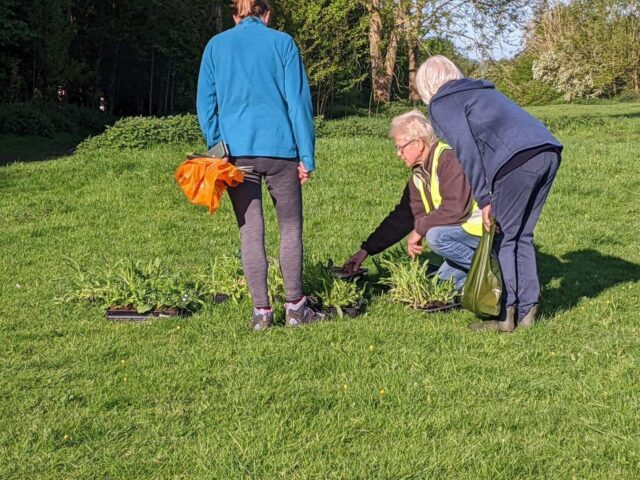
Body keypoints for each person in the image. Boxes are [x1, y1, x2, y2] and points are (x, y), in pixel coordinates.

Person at [196, 0, 324, 330]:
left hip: (236, 155)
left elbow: (205, 104)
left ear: (235, 15)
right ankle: (296, 309)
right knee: (290, 227)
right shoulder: (282, 43)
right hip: (281, 151)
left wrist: (217, 147)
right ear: (266, 14)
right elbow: (298, 103)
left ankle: (261, 315)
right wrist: (306, 156)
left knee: (250, 232)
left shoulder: (216, 46)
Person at [416, 55, 563, 332]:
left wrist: (484, 199)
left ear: (426, 86)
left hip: (517, 161)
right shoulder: (480, 91)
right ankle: (527, 315)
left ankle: (507, 316)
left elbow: (466, 150)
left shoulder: (442, 103)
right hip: (548, 151)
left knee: (504, 238)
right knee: (521, 236)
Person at [343, 110, 482, 293]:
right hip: (462, 235)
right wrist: (366, 250)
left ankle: (491, 270)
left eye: (401, 147)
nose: (398, 154)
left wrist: (420, 229)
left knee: (435, 236)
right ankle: (477, 282)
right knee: (440, 289)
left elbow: (455, 209)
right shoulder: (419, 174)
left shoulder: (448, 159)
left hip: (484, 232)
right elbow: (402, 218)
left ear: (418, 143)